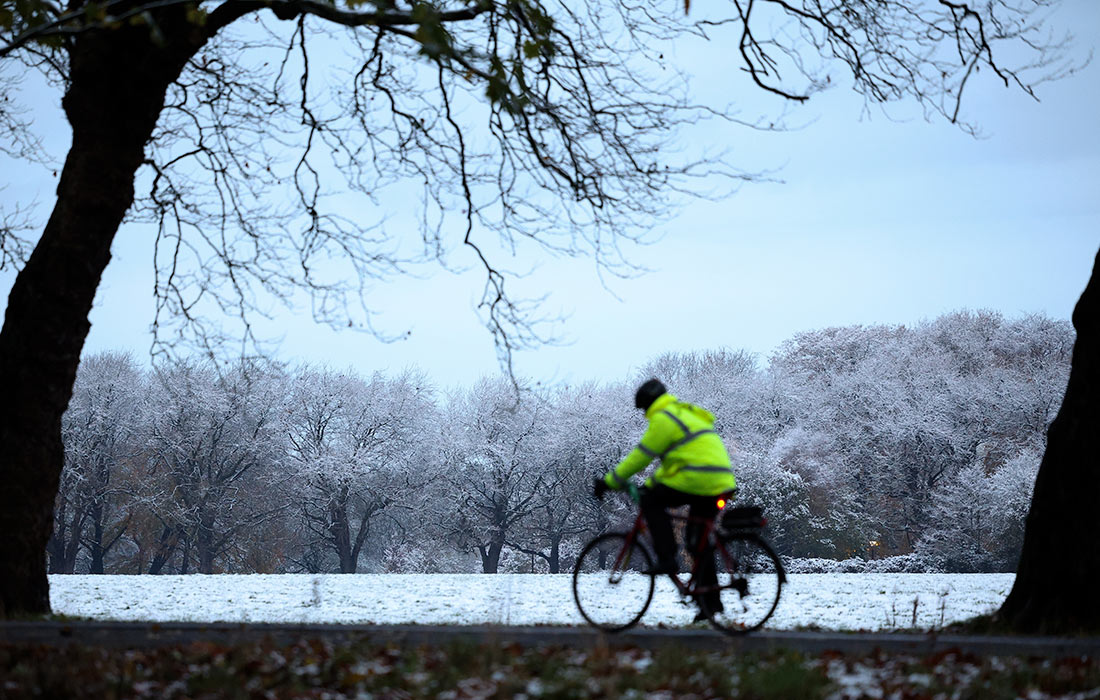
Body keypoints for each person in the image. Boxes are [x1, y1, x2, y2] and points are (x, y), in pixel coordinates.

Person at [593, 378, 736, 620]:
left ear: (648, 403)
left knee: (651, 502)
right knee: (696, 541)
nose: (644, 415)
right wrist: (649, 484)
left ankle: (667, 558)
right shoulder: (683, 413)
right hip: (719, 479)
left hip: (699, 478)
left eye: (643, 409)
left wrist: (611, 481)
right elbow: (671, 465)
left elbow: (642, 455)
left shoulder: (664, 418)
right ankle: (711, 605)